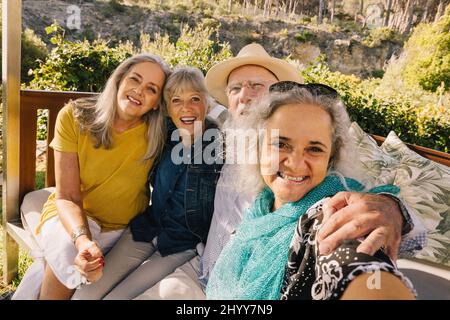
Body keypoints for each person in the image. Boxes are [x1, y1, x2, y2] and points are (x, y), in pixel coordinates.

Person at [133, 43, 425, 300]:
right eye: (235, 89)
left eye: (256, 86)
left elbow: (355, 227)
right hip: (204, 268)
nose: (244, 96)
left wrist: (391, 207)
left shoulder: (317, 180)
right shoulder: (217, 138)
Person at [205, 82, 416, 299]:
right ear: (258, 148)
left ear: (330, 159)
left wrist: (392, 207)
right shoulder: (261, 207)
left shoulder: (331, 214)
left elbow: (359, 266)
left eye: (314, 149)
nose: (295, 163)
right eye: (281, 144)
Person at [12, 53, 171, 300]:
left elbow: (194, 106)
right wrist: (82, 240)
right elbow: (66, 196)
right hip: (71, 218)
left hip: (120, 229)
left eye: (151, 89)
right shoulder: (75, 117)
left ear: (157, 103)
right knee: (66, 252)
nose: (139, 91)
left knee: (58, 262)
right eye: (134, 80)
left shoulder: (158, 132)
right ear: (119, 80)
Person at [71, 66, 223, 299]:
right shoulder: (162, 131)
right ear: (166, 108)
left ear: (207, 103)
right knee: (86, 295)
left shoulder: (221, 144)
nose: (186, 108)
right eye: (176, 100)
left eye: (195, 99)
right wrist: (79, 110)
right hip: (146, 228)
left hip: (181, 243)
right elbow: (124, 110)